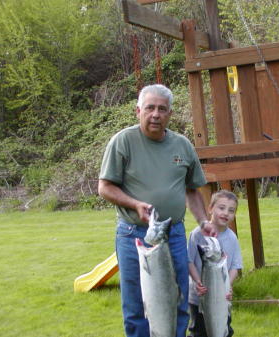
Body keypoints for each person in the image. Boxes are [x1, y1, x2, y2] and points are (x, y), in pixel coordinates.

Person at [98, 84, 215, 337]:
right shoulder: (123, 141)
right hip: (134, 236)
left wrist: (204, 220)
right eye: (150, 108)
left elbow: (192, 190)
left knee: (177, 299)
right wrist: (135, 204)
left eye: (162, 109)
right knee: (136, 306)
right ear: (138, 110)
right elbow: (105, 187)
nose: (155, 114)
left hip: (172, 234)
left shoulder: (182, 145)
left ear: (170, 114)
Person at [187, 190, 243, 337]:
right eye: (221, 207)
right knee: (199, 332)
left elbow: (235, 266)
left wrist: (227, 286)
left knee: (224, 330)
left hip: (221, 298)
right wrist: (197, 282)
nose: (226, 213)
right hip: (198, 297)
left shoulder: (232, 238)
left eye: (231, 210)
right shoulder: (197, 234)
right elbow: (188, 261)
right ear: (210, 208)